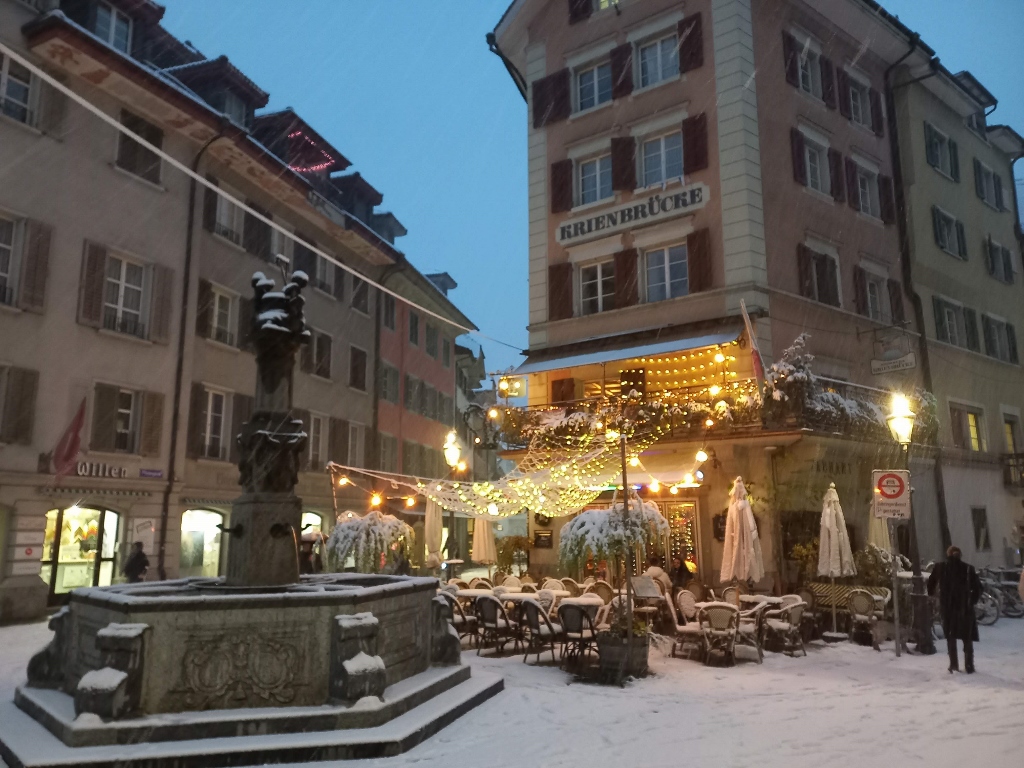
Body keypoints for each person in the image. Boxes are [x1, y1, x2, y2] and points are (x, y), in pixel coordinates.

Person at [927, 545, 981, 673]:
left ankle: (953, 665)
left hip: (948, 607)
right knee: (967, 637)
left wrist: (933, 595)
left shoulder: (940, 567)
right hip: (964, 608)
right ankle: (969, 666)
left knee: (951, 636)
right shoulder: (968, 569)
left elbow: (930, 584)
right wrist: (972, 601)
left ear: (948, 555)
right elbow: (978, 588)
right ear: (960, 555)